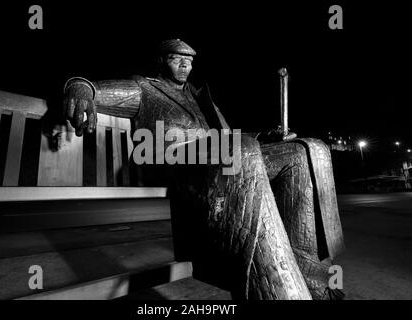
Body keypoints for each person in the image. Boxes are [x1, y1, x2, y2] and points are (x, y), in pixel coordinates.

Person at [62, 39, 344, 300]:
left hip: (219, 159)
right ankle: (278, 290)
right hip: (177, 164)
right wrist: (79, 88)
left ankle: (311, 272)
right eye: (177, 59)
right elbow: (94, 89)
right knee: (239, 149)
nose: (185, 65)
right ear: (162, 61)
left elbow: (230, 136)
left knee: (306, 150)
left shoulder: (201, 97)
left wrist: (265, 137)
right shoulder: (144, 88)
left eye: (190, 60)